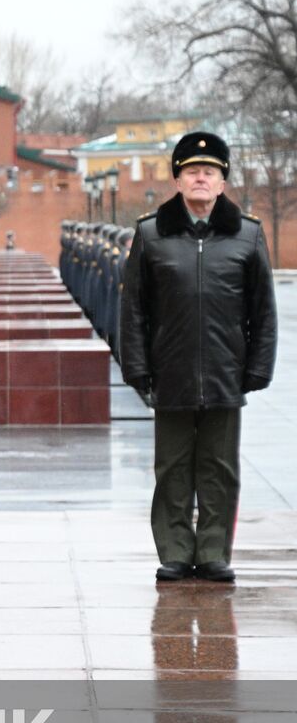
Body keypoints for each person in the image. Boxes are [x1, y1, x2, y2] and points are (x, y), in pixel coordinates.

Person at [120, 131, 277, 583]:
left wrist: (258, 367)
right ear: (178, 179)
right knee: (171, 467)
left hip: (226, 373)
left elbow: (262, 310)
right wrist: (137, 367)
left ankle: (212, 551)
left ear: (223, 181)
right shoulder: (151, 234)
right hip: (170, 372)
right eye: (192, 171)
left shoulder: (247, 235)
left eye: (209, 171)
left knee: (219, 468)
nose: (201, 178)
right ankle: (173, 551)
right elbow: (133, 310)